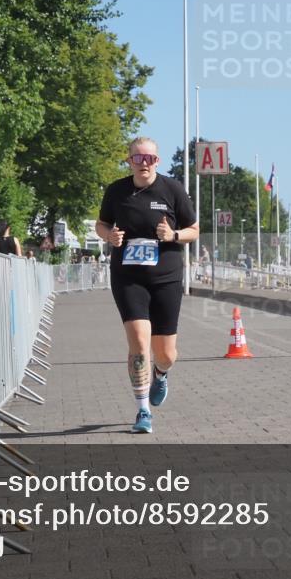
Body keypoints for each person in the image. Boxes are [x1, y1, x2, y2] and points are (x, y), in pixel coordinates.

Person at [96, 137, 199, 434]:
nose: (144, 163)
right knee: (139, 343)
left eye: (149, 158)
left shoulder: (173, 190)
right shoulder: (116, 191)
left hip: (165, 276)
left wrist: (173, 236)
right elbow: (101, 224)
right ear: (129, 160)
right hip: (128, 276)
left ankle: (161, 374)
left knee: (166, 353)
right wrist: (109, 236)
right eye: (137, 158)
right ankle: (143, 411)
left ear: (158, 161)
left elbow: (194, 230)